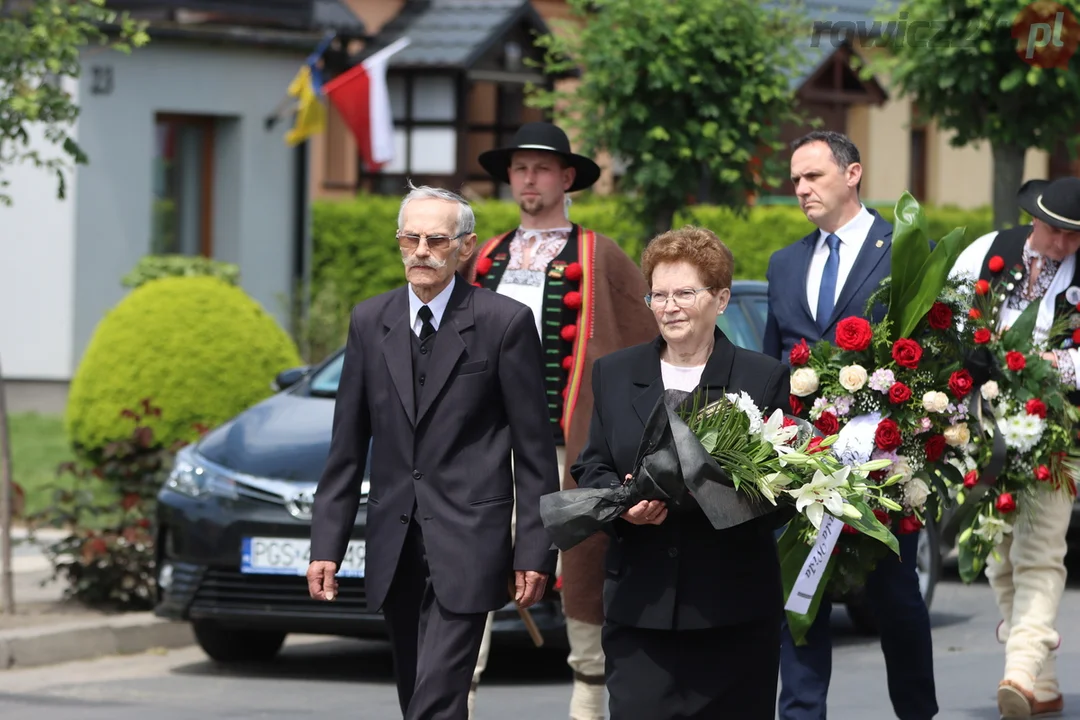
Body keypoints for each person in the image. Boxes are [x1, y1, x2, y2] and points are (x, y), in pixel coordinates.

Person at [306, 183, 560, 720]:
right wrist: (326, 544)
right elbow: (347, 447)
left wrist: (535, 551)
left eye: (436, 241)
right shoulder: (369, 321)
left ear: (464, 248)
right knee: (415, 693)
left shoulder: (504, 324)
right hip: (393, 542)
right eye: (410, 238)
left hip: (470, 540)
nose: (421, 251)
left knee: (437, 701)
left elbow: (535, 453)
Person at [466, 121, 657, 720]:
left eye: (541, 168)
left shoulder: (600, 255)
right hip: (488, 447)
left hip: (567, 447)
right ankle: (458, 696)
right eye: (519, 168)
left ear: (566, 177)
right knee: (471, 559)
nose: (528, 178)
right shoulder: (484, 258)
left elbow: (651, 338)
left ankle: (588, 702)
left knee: (583, 560)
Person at [570, 225, 791, 719]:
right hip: (640, 611)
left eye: (685, 293)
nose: (669, 307)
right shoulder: (614, 373)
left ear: (721, 299)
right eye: (659, 294)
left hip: (731, 614)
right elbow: (592, 464)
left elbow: (782, 496)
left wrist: (704, 495)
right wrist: (623, 504)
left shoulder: (762, 378)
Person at [763, 130, 938, 720]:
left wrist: (904, 429)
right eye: (795, 180)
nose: (802, 189)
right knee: (800, 594)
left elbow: (931, 352)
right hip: (805, 467)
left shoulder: (904, 248)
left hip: (883, 463)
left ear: (853, 173)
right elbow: (775, 362)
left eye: (813, 176)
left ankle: (917, 711)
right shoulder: (784, 264)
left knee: (894, 599)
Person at [949, 176, 1080, 719]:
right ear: (1036, 220)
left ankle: (1021, 671)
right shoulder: (986, 252)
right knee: (998, 558)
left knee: (1039, 552)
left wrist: (1059, 366)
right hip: (984, 428)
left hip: (1059, 432)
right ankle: (1043, 688)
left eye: (1077, 237)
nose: (1066, 246)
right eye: (1058, 233)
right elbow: (949, 322)